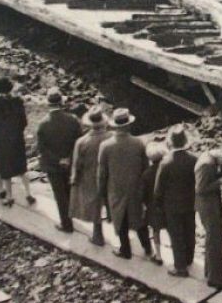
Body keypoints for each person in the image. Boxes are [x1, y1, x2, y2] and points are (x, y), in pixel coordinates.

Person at [99, 108, 149, 259]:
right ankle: (147, 247)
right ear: (128, 125)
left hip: (116, 189)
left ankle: (125, 249)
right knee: (139, 219)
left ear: (114, 126)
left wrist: (102, 193)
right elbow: (145, 168)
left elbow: (102, 174)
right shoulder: (139, 143)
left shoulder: (106, 146)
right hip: (135, 188)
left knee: (120, 220)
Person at [36, 89, 82, 233]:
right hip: (70, 163)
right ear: (62, 102)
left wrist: (58, 159)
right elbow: (78, 142)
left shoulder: (43, 124)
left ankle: (66, 224)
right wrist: (68, 157)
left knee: (59, 195)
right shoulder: (73, 120)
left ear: (48, 104)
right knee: (68, 191)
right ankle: (72, 216)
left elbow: (42, 149)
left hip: (53, 165)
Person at [154, 124, 196, 275]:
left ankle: (180, 267)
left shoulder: (166, 162)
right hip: (190, 202)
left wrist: (158, 205)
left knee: (176, 235)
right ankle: (189, 258)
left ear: (170, 142)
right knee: (190, 231)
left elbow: (158, 189)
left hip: (172, 205)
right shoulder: (194, 159)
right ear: (185, 141)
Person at [0, 76, 34, 206]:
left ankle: (9, 196)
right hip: (17, 138)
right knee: (22, 167)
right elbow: (24, 122)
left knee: (5, 169)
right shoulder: (18, 101)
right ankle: (29, 194)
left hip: (1, 140)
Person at [71, 106, 110, 245]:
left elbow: (77, 164)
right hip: (110, 176)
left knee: (95, 206)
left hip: (91, 176)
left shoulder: (81, 142)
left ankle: (98, 235)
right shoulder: (111, 137)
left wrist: (75, 178)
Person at [195, 145, 222, 288]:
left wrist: (221, 173)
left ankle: (210, 271)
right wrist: (219, 182)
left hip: (210, 203)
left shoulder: (211, 159)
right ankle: (215, 279)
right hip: (207, 205)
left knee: (213, 238)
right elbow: (200, 188)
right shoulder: (206, 164)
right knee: (214, 240)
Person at [141, 138, 167, 265]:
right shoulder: (167, 170)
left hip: (153, 206)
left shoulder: (146, 174)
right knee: (172, 230)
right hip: (167, 205)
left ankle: (158, 255)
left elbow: (143, 193)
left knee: (155, 231)